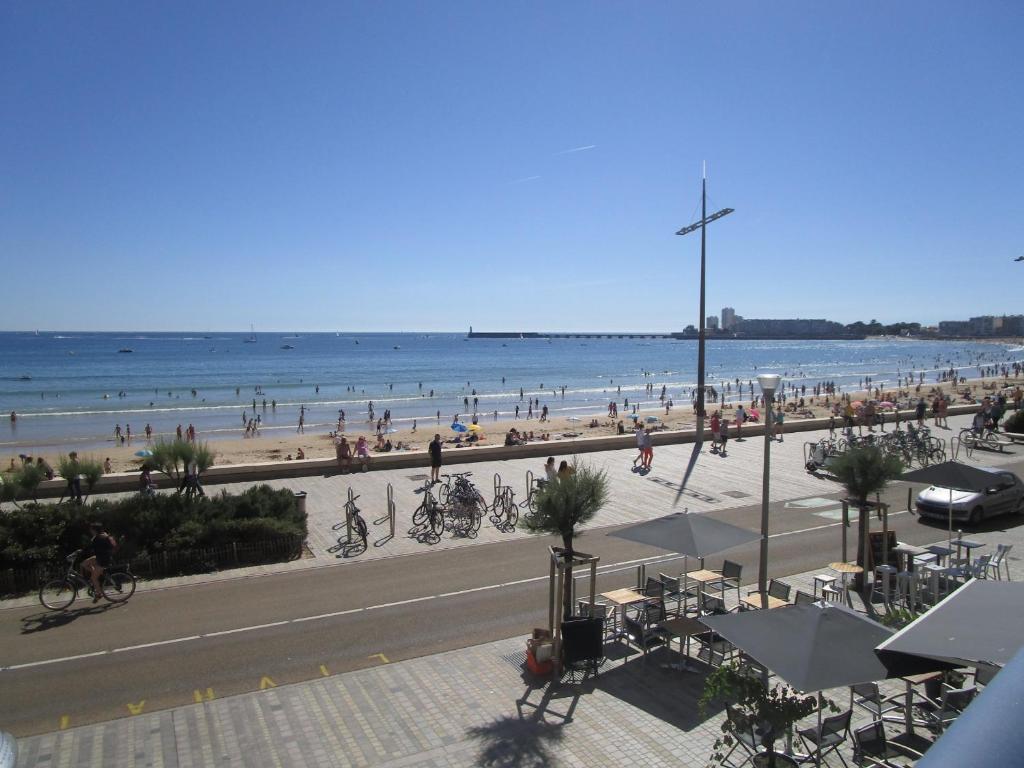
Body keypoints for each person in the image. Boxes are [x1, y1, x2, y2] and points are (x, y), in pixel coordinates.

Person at [80, 522, 117, 603]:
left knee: (93, 578)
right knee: (83, 564)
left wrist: (81, 551)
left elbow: (90, 548)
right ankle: (95, 573)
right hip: (99, 557)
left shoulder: (98, 538)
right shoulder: (102, 535)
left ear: (95, 530)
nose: (90, 531)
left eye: (91, 529)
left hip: (103, 560)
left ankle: (99, 593)